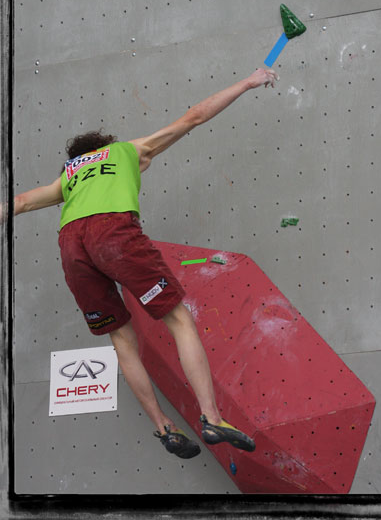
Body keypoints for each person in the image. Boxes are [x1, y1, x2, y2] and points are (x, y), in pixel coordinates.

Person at [10, 67, 279, 460]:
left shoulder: (68, 176)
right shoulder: (127, 151)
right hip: (112, 234)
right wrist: (247, 82)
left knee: (121, 339)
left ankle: (163, 429)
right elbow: (194, 118)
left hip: (71, 247)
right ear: (107, 147)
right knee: (179, 320)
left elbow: (17, 204)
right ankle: (211, 417)